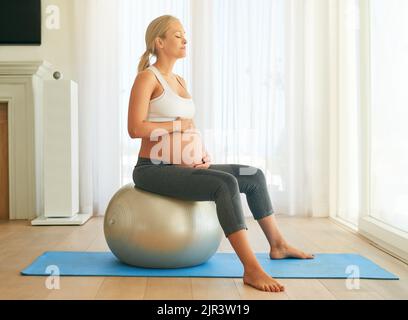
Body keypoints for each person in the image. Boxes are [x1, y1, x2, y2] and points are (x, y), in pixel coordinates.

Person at [128, 15, 314, 293]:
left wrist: (200, 152)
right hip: (153, 169)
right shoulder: (147, 78)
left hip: (187, 167)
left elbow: (190, 127)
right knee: (225, 184)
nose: (185, 39)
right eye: (177, 35)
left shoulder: (179, 80)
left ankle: (278, 244)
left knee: (254, 175)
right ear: (160, 41)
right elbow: (135, 128)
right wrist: (179, 125)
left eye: (184, 35)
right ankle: (251, 268)